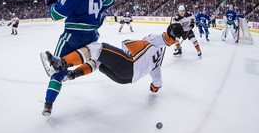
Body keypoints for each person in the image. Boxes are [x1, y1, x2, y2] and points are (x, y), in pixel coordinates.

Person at [40, 23, 184, 115]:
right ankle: (70, 75)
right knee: (98, 61)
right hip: (124, 79)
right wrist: (153, 89)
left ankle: (61, 63)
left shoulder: (155, 39)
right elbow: (156, 85)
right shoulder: (157, 64)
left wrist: (171, 33)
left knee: (97, 49)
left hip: (128, 65)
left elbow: (165, 38)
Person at [42, 0, 114, 116]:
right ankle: (74, 72)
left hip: (73, 37)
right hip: (92, 36)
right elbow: (109, 1)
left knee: (57, 70)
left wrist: (50, 0)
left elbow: (56, 14)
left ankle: (48, 104)